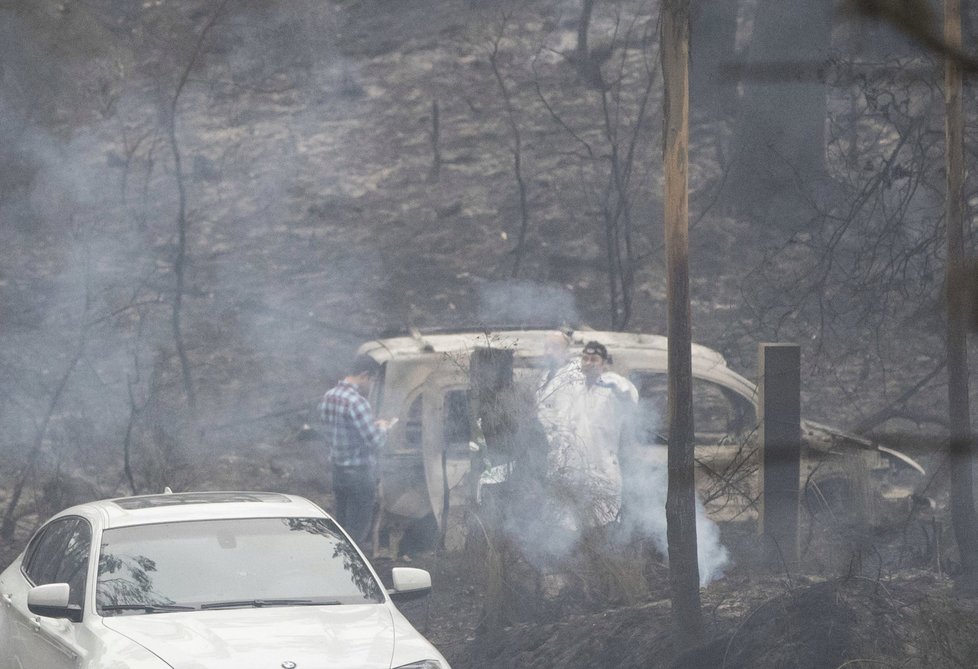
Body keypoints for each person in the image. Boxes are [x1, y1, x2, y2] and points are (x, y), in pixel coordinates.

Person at [543, 340, 638, 529]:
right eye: (585, 358)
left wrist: (611, 386)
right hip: (569, 468)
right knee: (566, 526)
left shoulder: (613, 385)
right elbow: (547, 410)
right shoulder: (570, 386)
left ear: (603, 363)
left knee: (602, 524)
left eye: (594, 359)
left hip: (602, 468)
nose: (588, 362)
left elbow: (629, 399)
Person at [319, 355, 391, 546]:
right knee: (357, 532)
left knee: (340, 527)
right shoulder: (357, 403)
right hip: (358, 475)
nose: (372, 385)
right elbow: (375, 441)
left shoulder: (329, 396)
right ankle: (353, 570)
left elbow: (333, 433)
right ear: (365, 376)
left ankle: (336, 564)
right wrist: (383, 428)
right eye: (373, 380)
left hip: (338, 472)